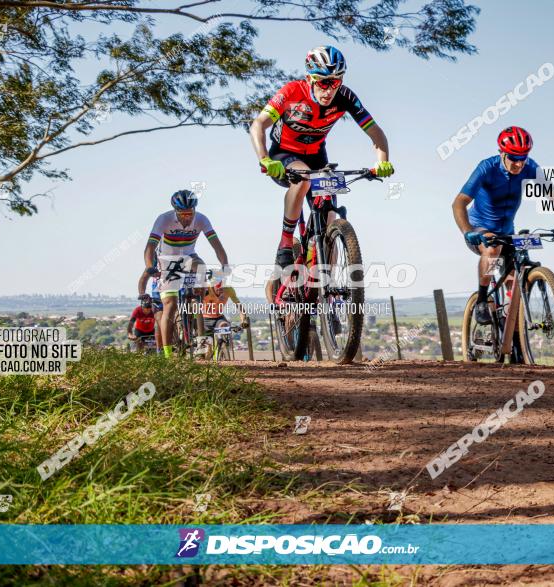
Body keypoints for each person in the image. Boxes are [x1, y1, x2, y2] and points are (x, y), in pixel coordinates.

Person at [249, 45, 394, 270]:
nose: (329, 90)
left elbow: (375, 131)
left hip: (317, 156)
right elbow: (258, 124)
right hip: (284, 154)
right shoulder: (291, 92)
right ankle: (285, 242)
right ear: (310, 79)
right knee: (304, 180)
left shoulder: (345, 97)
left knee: (331, 220)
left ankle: (329, 287)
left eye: (336, 82)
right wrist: (264, 158)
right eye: (323, 82)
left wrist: (382, 160)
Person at [452, 126, 554, 325]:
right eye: (514, 157)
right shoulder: (487, 168)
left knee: (517, 270)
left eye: (523, 157)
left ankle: (510, 322)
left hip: (507, 231)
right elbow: (459, 202)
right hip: (479, 229)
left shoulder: (530, 167)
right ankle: (481, 300)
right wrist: (467, 231)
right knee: (493, 249)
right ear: (502, 153)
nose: (519, 163)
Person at [137, 189, 229, 358]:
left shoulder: (201, 219)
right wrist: (150, 266)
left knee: (200, 266)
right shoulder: (164, 219)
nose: (187, 217)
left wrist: (225, 264)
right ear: (175, 211)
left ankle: (196, 307)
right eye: (183, 214)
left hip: (188, 257)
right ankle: (166, 354)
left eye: (190, 213)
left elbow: (216, 245)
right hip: (166, 260)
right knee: (170, 306)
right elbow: (149, 247)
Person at [201, 276, 249, 358]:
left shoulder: (229, 289)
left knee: (224, 326)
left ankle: (223, 345)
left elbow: (238, 305)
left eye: (222, 288)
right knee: (207, 349)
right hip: (204, 318)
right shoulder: (206, 290)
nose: (220, 290)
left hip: (218, 317)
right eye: (218, 288)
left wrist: (244, 319)